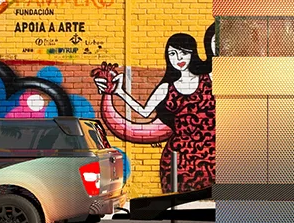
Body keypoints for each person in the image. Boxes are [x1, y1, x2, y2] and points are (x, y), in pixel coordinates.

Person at [92, 29, 216, 192]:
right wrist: (118, 92)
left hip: (213, 157)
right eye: (172, 54)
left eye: (183, 53)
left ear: (192, 53)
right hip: (179, 160)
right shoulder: (166, 87)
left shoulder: (209, 78)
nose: (178, 59)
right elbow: (144, 112)